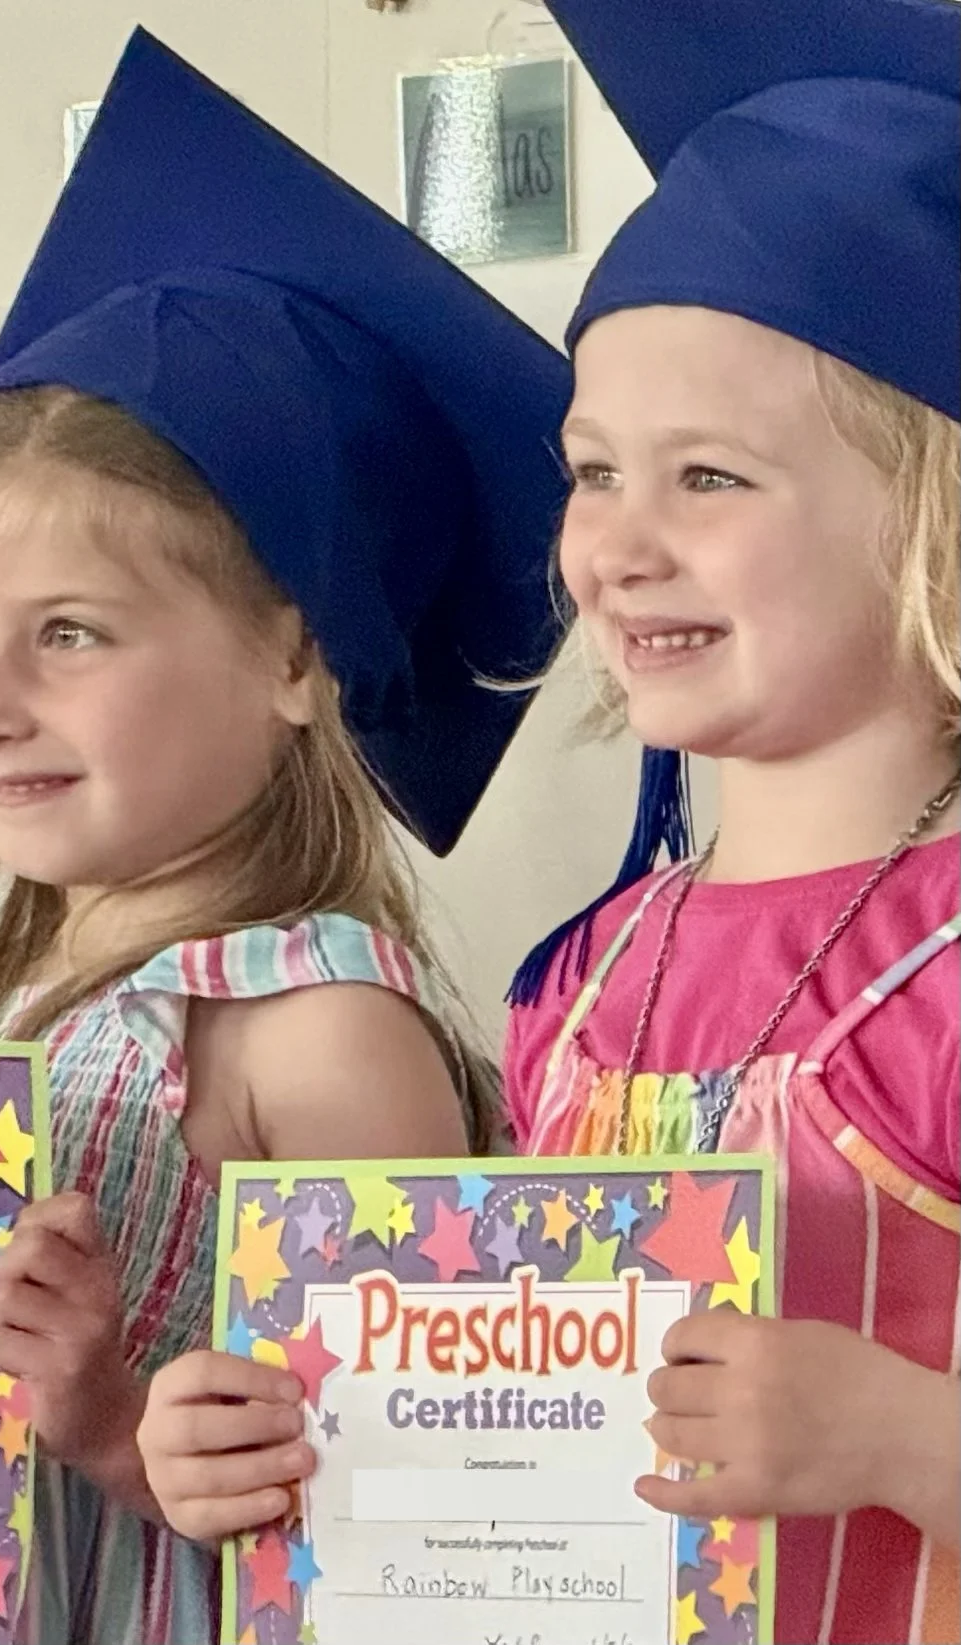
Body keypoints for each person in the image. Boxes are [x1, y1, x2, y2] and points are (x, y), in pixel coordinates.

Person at [0, 32, 573, 1643]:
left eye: (73, 635)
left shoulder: (315, 1030)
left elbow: (436, 1520)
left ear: (296, 661)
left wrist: (118, 1425)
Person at [505, 2, 961, 1639]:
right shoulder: (582, 984)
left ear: (934, 521)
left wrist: (909, 1437)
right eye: (589, 471)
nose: (618, 545)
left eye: (707, 479)